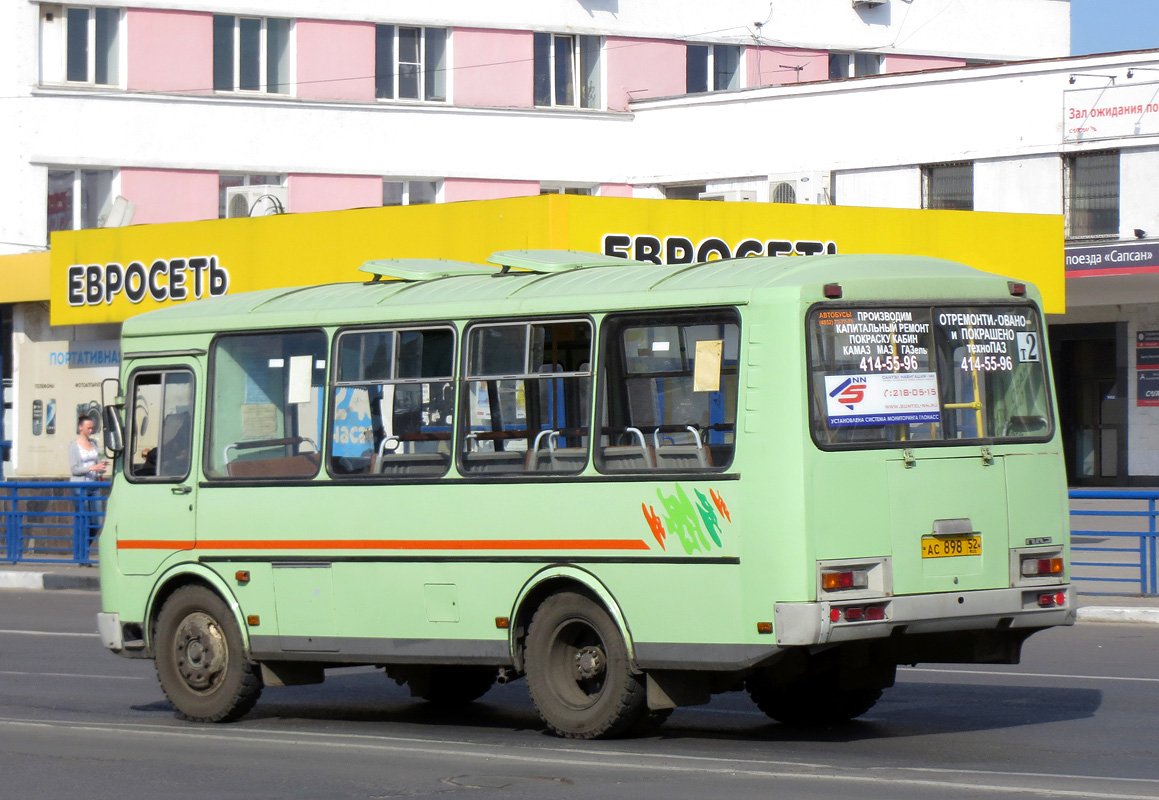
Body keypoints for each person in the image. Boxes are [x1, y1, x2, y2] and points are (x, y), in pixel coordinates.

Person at [68, 415, 109, 555]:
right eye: (88, 428)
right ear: (81, 428)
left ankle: (81, 549)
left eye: (92, 428)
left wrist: (103, 464)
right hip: (80, 487)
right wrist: (92, 468)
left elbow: (101, 459)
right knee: (83, 520)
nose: (91, 430)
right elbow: (74, 470)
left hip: (94, 485)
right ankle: (81, 554)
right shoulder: (73, 446)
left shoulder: (95, 444)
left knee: (97, 521)